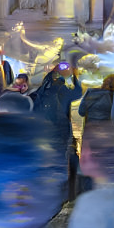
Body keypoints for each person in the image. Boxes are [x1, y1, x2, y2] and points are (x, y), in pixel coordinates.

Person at [32, 62, 83, 200]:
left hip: (42, 131)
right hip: (60, 130)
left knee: (44, 161)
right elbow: (78, 92)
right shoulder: (63, 90)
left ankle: (43, 189)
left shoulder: (42, 91)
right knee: (60, 160)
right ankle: (59, 192)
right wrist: (72, 76)